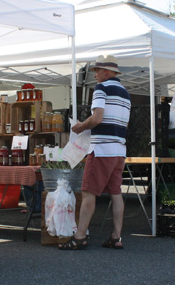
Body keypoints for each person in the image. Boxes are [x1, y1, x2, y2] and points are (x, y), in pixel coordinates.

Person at [58, 55, 130, 250]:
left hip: (101, 149)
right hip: (119, 150)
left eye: (97, 71)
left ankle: (80, 236)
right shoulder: (125, 93)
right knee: (116, 193)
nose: (95, 75)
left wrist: (81, 126)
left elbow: (97, 118)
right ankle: (116, 236)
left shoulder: (102, 89)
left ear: (106, 72)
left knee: (89, 192)